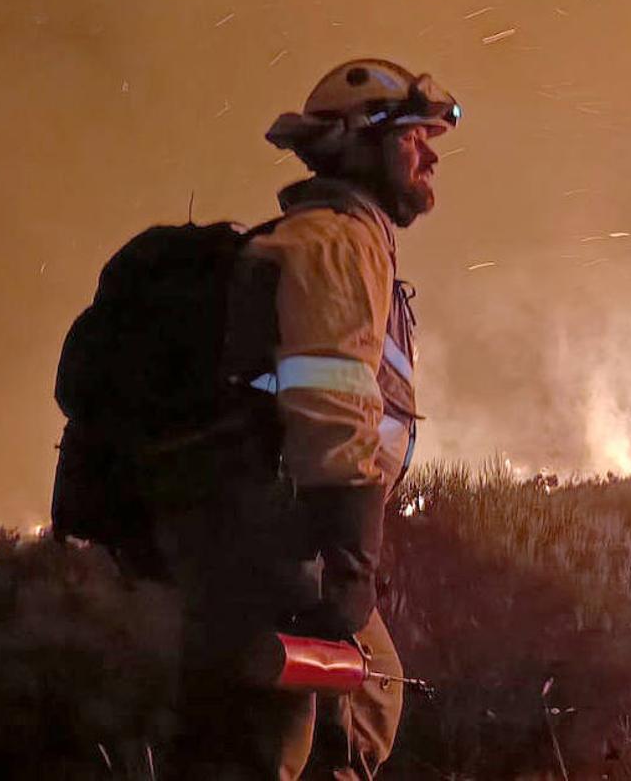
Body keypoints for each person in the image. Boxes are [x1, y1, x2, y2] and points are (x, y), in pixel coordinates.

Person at [154, 58, 458, 779]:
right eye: (415, 137)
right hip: (278, 537)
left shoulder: (347, 237)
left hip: (272, 530)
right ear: (361, 142)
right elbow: (329, 399)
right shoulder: (333, 241)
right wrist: (349, 558)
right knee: (287, 737)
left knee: (361, 701)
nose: (432, 153)